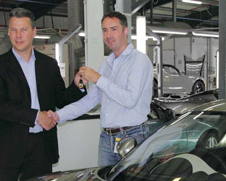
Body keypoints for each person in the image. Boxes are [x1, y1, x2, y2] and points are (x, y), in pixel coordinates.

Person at [0, 7, 85, 181]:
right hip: (7, 148)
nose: (18, 35)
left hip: (41, 147)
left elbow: (60, 99)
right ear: (8, 32)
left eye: (23, 29)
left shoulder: (49, 65)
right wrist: (36, 116)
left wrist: (77, 85)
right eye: (13, 30)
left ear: (34, 32)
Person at [48, 11, 153, 167]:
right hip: (107, 139)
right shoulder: (106, 65)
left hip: (133, 136)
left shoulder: (139, 61)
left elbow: (130, 100)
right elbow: (89, 101)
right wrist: (57, 116)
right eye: (105, 30)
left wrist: (98, 79)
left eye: (113, 29)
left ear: (125, 31)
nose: (108, 35)